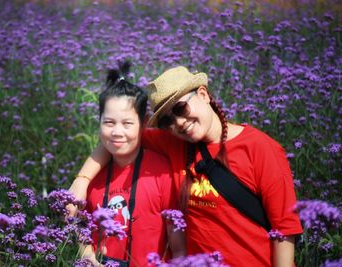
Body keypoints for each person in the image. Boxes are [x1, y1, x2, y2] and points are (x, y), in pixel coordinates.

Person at [69, 66, 303, 266]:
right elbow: (119, 137)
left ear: (203, 94)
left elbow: (285, 229)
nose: (179, 123)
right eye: (167, 120)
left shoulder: (260, 148)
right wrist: (82, 181)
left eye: (181, 108)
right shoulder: (177, 143)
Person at [67, 62, 185, 267]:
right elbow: (78, 223)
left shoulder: (161, 172)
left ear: (144, 122)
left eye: (127, 123)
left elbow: (178, 246)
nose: (117, 132)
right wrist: (87, 256)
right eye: (109, 122)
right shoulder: (91, 175)